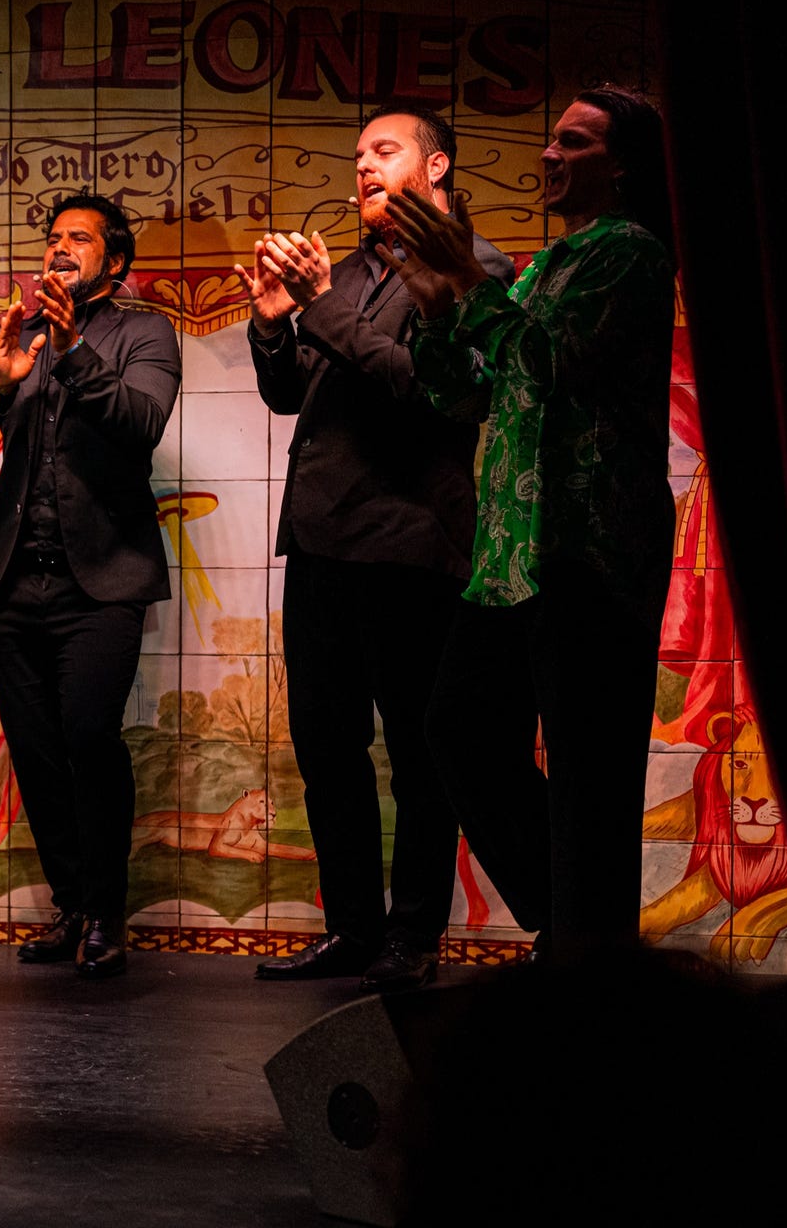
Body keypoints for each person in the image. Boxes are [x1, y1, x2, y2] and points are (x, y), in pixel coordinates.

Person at [382, 86, 675, 960]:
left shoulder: (631, 253)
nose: (548, 154)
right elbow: (467, 392)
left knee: (592, 770)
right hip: (513, 549)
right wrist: (436, 305)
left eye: (573, 142)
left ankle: (588, 954)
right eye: (551, 139)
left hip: (592, 543)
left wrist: (469, 280)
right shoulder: (548, 266)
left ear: (620, 165)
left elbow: (554, 366)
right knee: (457, 729)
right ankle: (576, 922)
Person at [238, 108, 516, 991]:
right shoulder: (348, 271)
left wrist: (319, 310)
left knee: (417, 753)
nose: (361, 166)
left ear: (436, 166)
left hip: (409, 538)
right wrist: (276, 324)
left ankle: (414, 935)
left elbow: (419, 389)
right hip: (321, 537)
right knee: (326, 748)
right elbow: (290, 398)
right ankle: (352, 929)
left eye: (383, 152)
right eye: (356, 155)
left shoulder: (474, 268)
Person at [0, 192, 180, 978]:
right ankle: (72, 907)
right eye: (53, 238)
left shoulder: (145, 331)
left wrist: (72, 353)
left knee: (87, 742)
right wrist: (1, 387)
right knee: (36, 753)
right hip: (15, 582)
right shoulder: (10, 334)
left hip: (103, 582)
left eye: (80, 238)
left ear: (116, 258)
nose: (61, 249)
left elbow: (141, 421)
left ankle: (108, 912)